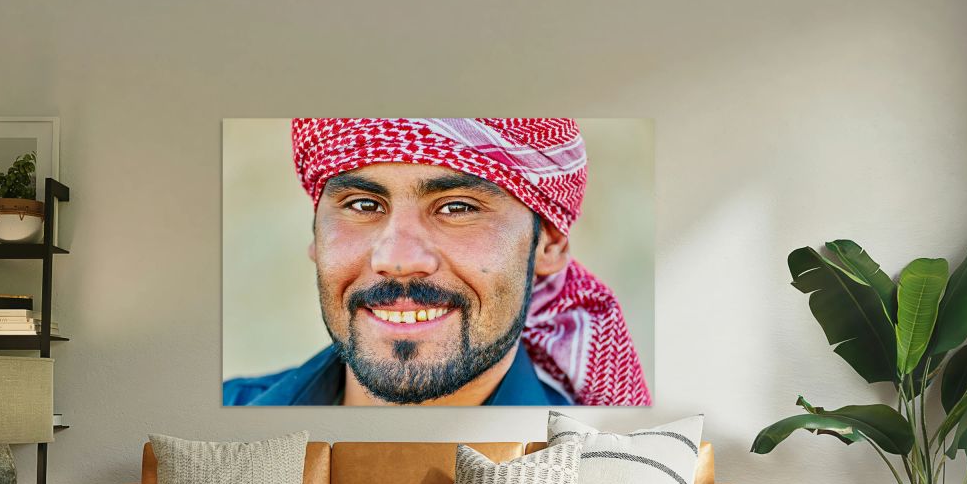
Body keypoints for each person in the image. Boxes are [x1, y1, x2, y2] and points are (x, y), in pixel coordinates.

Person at [223, 118, 650, 406]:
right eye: (363, 203)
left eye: (458, 208)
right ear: (316, 235)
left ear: (549, 245)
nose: (397, 260)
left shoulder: (597, 446)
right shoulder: (230, 416)